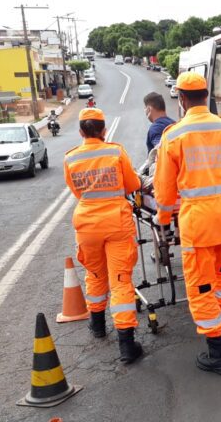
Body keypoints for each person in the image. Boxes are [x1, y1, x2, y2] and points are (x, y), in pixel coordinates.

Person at [154, 72, 221, 375]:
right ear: (206, 96)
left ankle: (218, 353)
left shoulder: (174, 136)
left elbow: (165, 191)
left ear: (181, 98)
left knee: (201, 286)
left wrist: (163, 219)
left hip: (199, 225)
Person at [64, 108, 143, 364]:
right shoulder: (115, 152)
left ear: (81, 132)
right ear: (104, 130)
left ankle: (97, 325)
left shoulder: (71, 158)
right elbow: (133, 185)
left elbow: (76, 192)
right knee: (120, 281)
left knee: (96, 274)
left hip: (87, 224)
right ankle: (127, 346)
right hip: (116, 222)